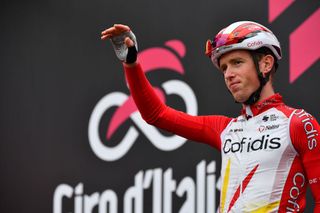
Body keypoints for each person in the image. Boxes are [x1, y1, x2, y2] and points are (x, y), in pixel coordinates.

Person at [101, 22, 320, 212]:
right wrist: (131, 63)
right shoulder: (225, 129)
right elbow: (156, 114)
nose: (228, 74)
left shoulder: (298, 123)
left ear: (266, 64)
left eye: (237, 62)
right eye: (224, 68)